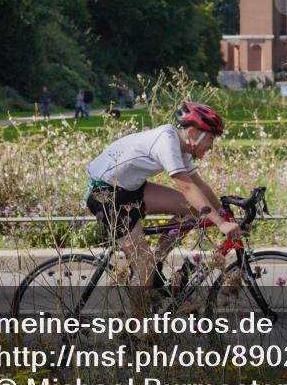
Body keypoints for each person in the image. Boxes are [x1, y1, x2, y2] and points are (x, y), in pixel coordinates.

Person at [85, 101, 240, 309]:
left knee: (193, 209)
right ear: (193, 133)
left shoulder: (183, 148)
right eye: (211, 138)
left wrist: (224, 216)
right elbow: (187, 188)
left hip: (130, 189)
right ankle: (140, 334)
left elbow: (198, 184)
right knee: (143, 265)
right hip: (106, 194)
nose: (211, 145)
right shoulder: (166, 141)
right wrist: (220, 223)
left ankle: (156, 261)